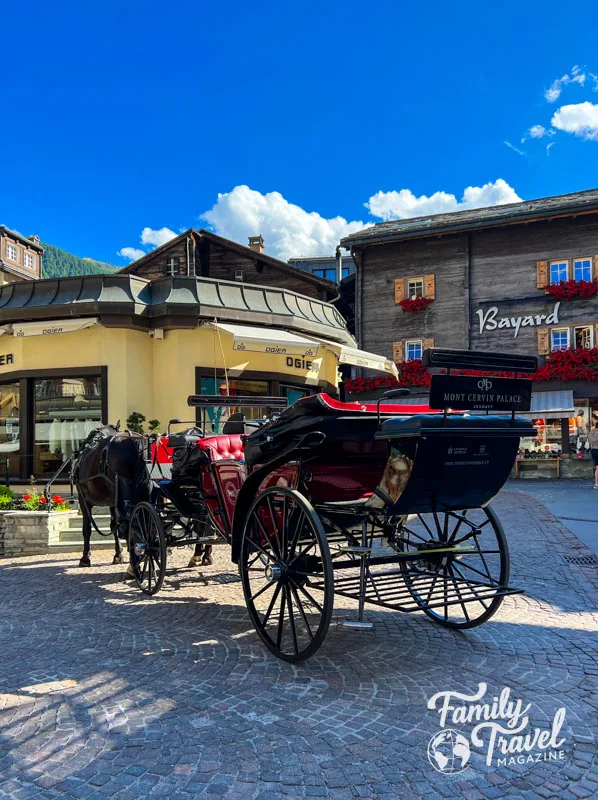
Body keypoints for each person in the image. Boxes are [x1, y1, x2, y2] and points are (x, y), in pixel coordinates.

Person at [590, 422, 598, 489]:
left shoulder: (591, 432)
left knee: (597, 467)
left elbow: (589, 441)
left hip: (593, 449)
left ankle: (596, 483)